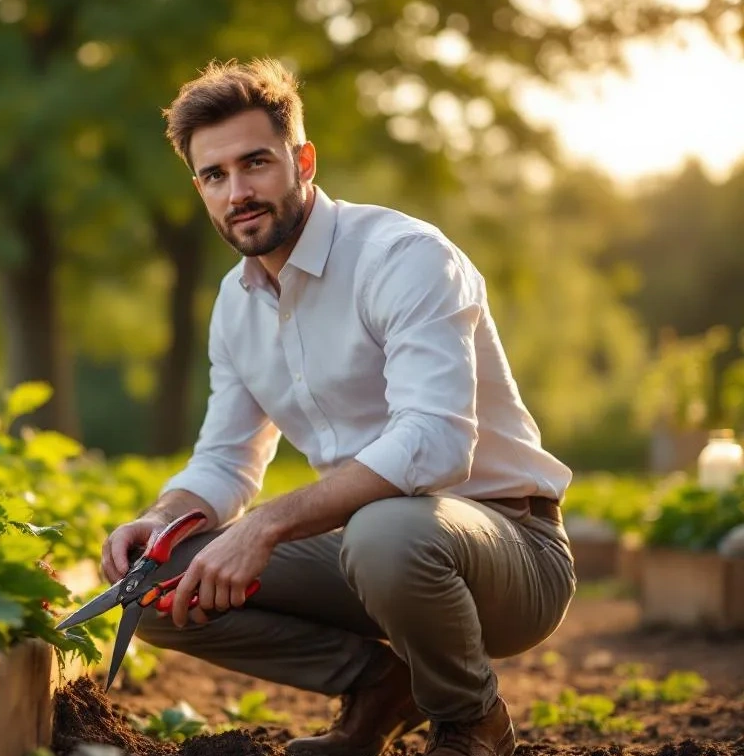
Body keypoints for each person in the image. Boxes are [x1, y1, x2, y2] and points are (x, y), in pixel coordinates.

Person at [100, 58, 576, 756]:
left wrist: (264, 527)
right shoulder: (235, 305)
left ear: (303, 159)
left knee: (387, 531)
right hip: (370, 550)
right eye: (215, 175)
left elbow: (436, 444)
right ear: (199, 186)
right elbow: (227, 459)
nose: (239, 192)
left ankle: (471, 720)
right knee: (153, 586)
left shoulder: (404, 257)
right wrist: (161, 518)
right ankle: (381, 686)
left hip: (510, 552)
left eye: (256, 163)